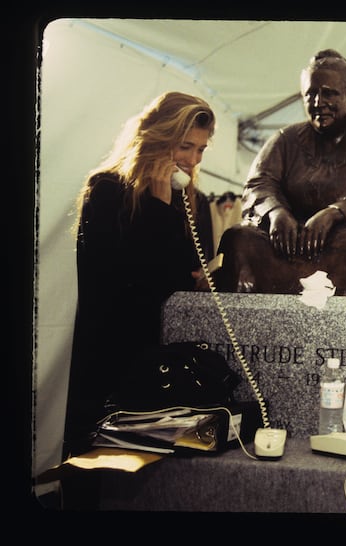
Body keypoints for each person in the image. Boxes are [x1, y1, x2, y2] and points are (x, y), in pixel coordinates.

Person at [64, 91, 216, 459]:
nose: (193, 160)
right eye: (185, 146)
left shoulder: (194, 200)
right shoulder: (106, 189)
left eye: (201, 150)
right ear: (157, 138)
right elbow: (122, 276)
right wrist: (159, 203)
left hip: (162, 353)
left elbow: (184, 272)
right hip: (111, 352)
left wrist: (199, 278)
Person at [214, 49, 346, 295]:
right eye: (311, 94)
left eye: (329, 93)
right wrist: (276, 213)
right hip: (287, 240)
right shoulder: (285, 139)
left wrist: (335, 213)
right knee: (238, 238)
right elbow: (258, 185)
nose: (318, 102)